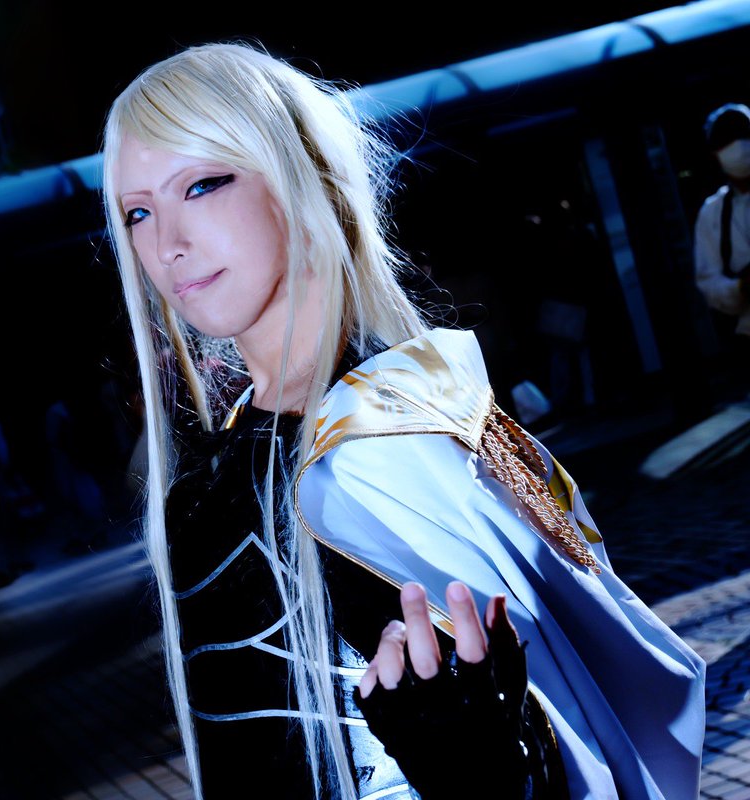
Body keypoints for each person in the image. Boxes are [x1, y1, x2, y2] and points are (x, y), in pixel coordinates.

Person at [101, 42, 705, 799]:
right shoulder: (222, 476)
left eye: (202, 185)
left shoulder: (389, 437)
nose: (167, 246)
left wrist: (487, 771)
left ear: (301, 176)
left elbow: (587, 708)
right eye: (137, 212)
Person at [694, 102, 750, 385]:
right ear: (715, 152)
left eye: (744, 135)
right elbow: (708, 282)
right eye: (728, 139)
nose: (738, 146)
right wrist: (739, 288)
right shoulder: (713, 213)